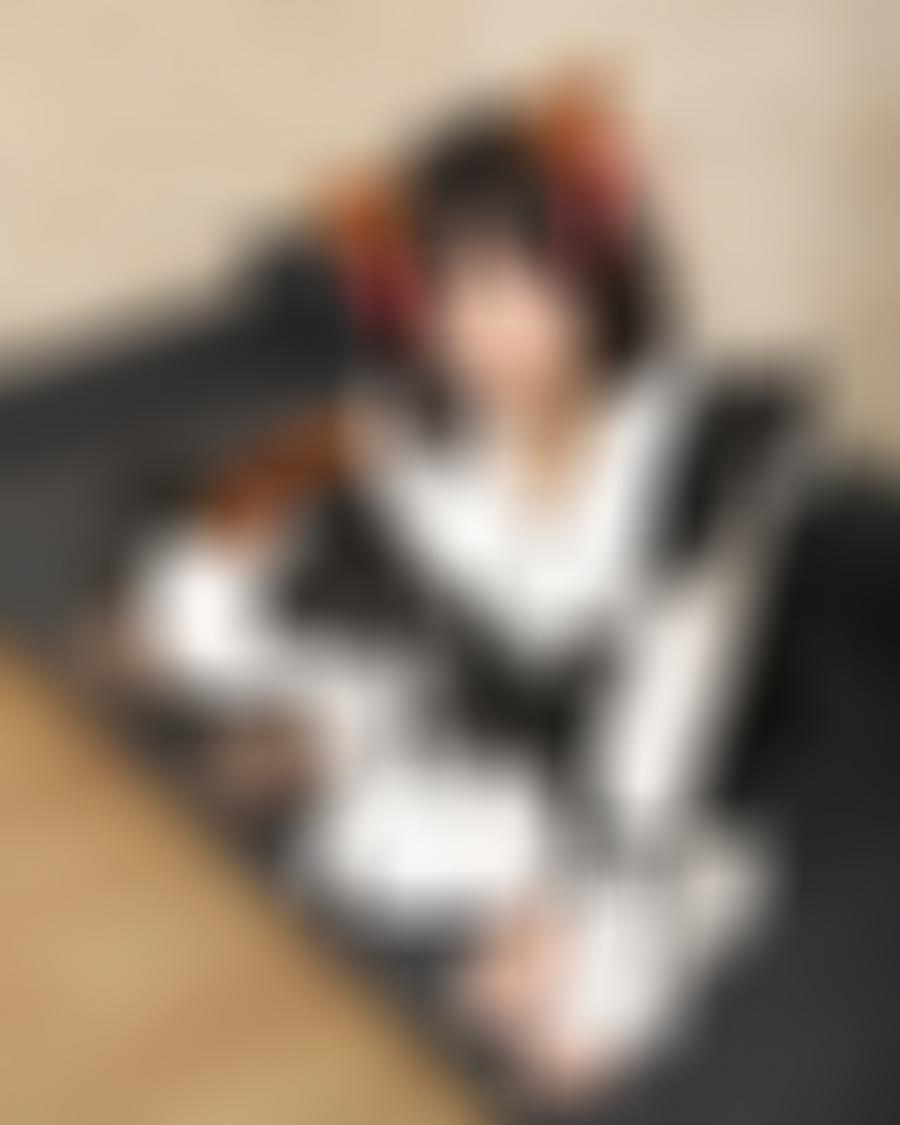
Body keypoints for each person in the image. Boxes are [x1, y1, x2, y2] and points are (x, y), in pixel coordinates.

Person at [93, 88, 816, 1112]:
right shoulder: (425, 420)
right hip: (491, 721)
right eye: (457, 295)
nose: (490, 331)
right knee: (359, 850)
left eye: (528, 284)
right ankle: (337, 737)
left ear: (599, 278)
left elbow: (663, 732)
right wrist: (197, 591)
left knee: (579, 1029)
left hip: (656, 751)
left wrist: (587, 934)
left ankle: (667, 896)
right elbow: (282, 484)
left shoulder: (700, 454)